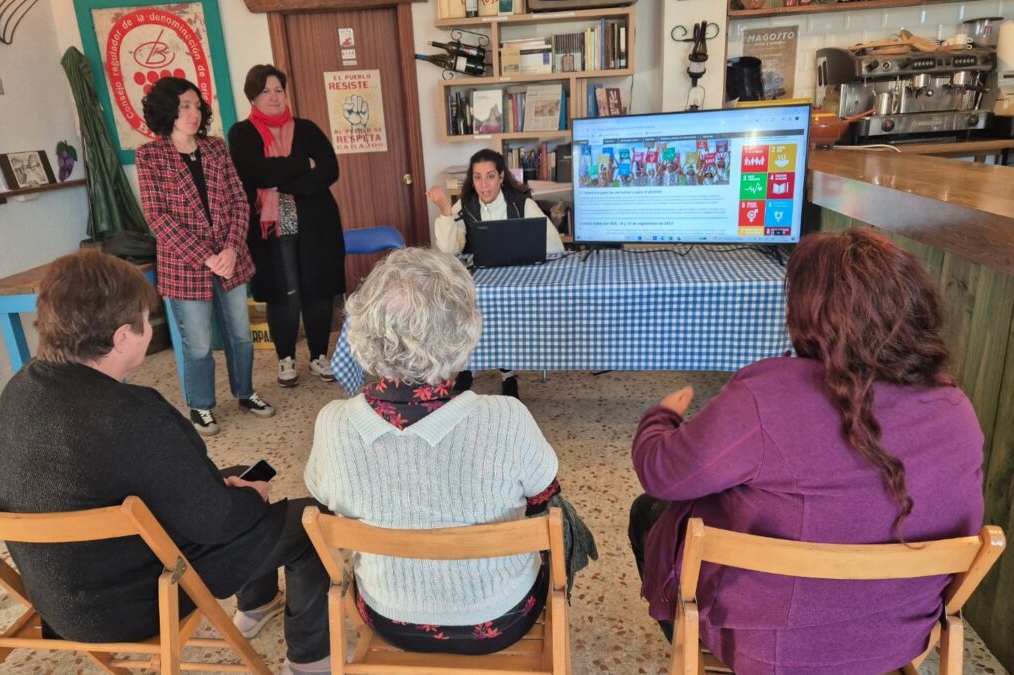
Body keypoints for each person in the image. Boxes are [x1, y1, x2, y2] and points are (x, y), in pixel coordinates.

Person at [627, 227, 984, 674]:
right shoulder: (956, 408)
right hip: (901, 639)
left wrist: (660, 417)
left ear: (806, 314)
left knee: (649, 510)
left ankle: (687, 638)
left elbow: (662, 472)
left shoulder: (766, 395)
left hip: (767, 649)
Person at [0, 250, 331, 675]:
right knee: (308, 520)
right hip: (140, 600)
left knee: (238, 475)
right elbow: (217, 523)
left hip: (57, 597)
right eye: (147, 321)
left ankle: (258, 603)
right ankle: (310, 663)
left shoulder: (17, 392)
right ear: (120, 338)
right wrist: (254, 500)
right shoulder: (133, 413)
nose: (150, 329)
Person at [304, 247, 562, 655]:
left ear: (364, 329)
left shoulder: (333, 423)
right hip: (499, 617)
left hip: (389, 617)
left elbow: (324, 496)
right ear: (464, 330)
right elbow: (545, 495)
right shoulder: (507, 417)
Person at [136, 76, 274, 436]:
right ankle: (200, 405)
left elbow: (238, 202)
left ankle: (245, 392)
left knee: (241, 336)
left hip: (231, 258)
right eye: (184, 106)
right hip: (185, 266)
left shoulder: (215, 148)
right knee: (196, 343)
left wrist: (230, 248)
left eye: (197, 105)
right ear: (167, 110)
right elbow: (157, 217)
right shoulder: (150, 156)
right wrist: (207, 256)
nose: (193, 113)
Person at [228, 64, 346, 388]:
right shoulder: (241, 133)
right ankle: (286, 358)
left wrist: (285, 181)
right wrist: (298, 166)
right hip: (271, 230)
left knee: (317, 291)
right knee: (284, 293)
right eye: (265, 91)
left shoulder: (306, 128)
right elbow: (253, 173)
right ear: (252, 97)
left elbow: (329, 169)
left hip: (316, 224)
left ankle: (319, 356)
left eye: (279, 89)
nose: (274, 96)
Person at [426, 148, 564, 398]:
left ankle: (508, 372)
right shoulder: (465, 205)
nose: (483, 184)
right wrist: (445, 209)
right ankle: (467, 366)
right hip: (477, 281)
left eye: (490, 176)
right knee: (460, 305)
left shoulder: (522, 203)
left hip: (516, 282)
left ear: (501, 176)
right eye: (477, 177)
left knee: (502, 311)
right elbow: (449, 250)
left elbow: (554, 246)